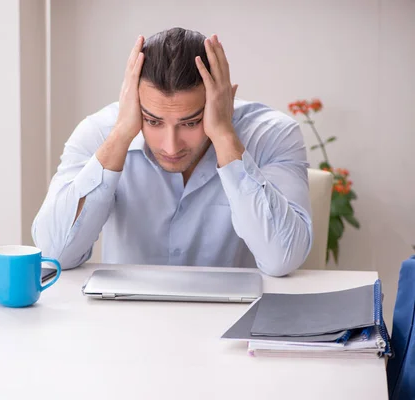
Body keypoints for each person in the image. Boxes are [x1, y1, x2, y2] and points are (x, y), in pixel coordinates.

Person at [32, 27, 312, 277]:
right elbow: (53, 254)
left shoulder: (273, 135)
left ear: (223, 99)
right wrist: (120, 136)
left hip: (234, 320)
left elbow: (281, 259)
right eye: (153, 121)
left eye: (191, 122)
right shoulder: (100, 132)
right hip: (123, 322)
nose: (170, 146)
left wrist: (225, 136)